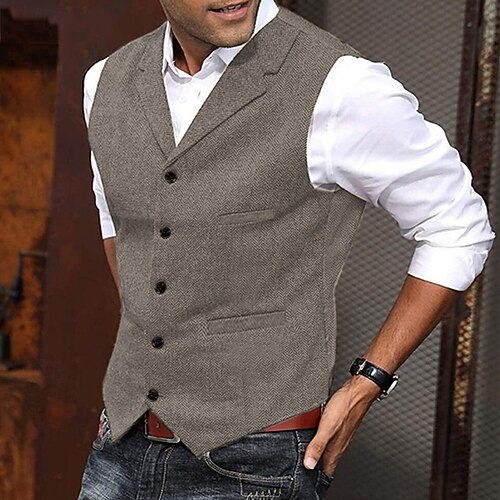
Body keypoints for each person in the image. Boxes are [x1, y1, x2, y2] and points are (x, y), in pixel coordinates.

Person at [78, 0, 495, 498]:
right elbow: (118, 216)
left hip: (255, 463)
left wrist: (369, 381)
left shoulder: (339, 84)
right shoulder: (105, 81)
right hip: (119, 446)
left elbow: (458, 224)